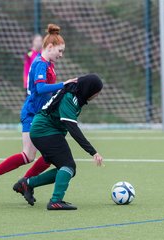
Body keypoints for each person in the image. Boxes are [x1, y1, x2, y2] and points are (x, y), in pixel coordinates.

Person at [0, 24, 77, 200]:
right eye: (59, 51)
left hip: (41, 116)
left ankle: (25, 183)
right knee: (28, 155)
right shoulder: (40, 64)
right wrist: (63, 84)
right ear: (50, 47)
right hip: (32, 113)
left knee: (48, 156)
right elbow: (40, 89)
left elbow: (49, 92)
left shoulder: (49, 64)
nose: (61, 55)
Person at [14, 74, 103, 210]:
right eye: (96, 92)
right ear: (89, 89)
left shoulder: (74, 95)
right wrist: (93, 152)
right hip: (44, 131)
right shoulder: (70, 98)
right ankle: (55, 201)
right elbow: (72, 128)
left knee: (67, 168)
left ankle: (27, 183)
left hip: (46, 131)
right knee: (68, 166)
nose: (97, 95)